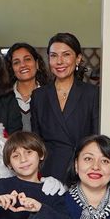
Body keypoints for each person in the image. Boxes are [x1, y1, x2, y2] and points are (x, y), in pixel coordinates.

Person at [31, 32, 101, 180]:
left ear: (78, 58)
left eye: (66, 55)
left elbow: (96, 138)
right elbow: (36, 142)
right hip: (49, 172)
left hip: (83, 170)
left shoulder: (92, 93)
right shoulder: (39, 96)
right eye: (54, 56)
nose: (59, 61)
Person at [6, 41, 47, 132]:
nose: (23, 65)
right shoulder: (4, 99)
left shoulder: (50, 95)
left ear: (37, 64)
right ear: (11, 69)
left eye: (27, 59)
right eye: (16, 62)